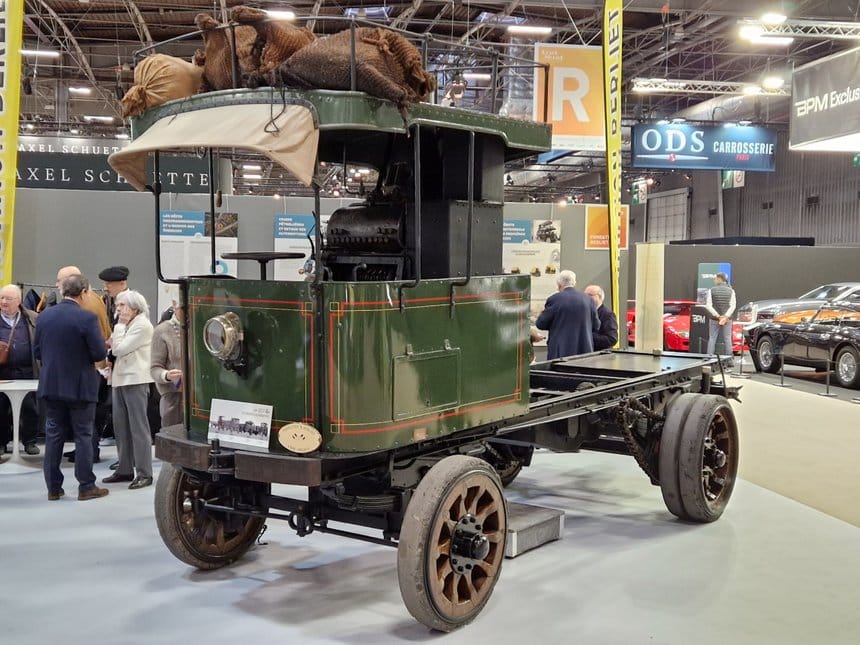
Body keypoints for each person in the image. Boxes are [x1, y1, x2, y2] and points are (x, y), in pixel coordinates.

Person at [34, 274, 109, 501]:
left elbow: (37, 351)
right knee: (83, 435)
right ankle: (86, 486)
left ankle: (53, 488)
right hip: (80, 387)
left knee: (53, 435)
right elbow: (99, 353)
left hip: (51, 385)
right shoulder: (87, 318)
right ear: (84, 292)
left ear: (63, 291)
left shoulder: (44, 316)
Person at [54, 265, 112, 464]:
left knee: (86, 416)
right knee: (89, 414)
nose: (56, 285)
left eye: (59, 281)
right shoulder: (96, 299)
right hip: (97, 366)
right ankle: (86, 449)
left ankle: (89, 452)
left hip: (88, 367)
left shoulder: (83, 306)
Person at [102, 289, 155, 489]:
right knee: (121, 427)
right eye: (117, 305)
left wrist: (119, 327)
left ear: (135, 307)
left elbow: (119, 349)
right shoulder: (129, 325)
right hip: (120, 380)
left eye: (122, 305)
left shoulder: (142, 325)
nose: (118, 309)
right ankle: (124, 468)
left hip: (135, 380)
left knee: (138, 428)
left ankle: (144, 472)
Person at [0, 284, 41, 455]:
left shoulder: (32, 318)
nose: (3, 302)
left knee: (30, 408)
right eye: (1, 298)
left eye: (8, 298)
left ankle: (30, 441)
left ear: (18, 301)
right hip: (2, 373)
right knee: (0, 408)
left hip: (27, 371)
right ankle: (1, 442)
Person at [535, 270, 601, 359]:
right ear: (574, 283)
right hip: (584, 351)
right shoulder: (588, 300)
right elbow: (596, 326)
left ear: (559, 284)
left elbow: (541, 324)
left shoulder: (554, 299)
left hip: (560, 353)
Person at [150, 300, 184, 428]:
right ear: (174, 306)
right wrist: (167, 375)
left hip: (200, 398)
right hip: (173, 398)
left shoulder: (201, 327)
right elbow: (155, 368)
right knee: (172, 436)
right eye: (182, 307)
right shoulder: (162, 331)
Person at [703, 272, 737, 363]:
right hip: (727, 319)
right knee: (727, 338)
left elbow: (708, 305)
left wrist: (718, 316)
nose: (714, 280)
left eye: (715, 278)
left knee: (712, 338)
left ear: (719, 279)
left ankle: (709, 357)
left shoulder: (711, 290)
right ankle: (729, 360)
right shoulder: (731, 291)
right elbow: (733, 306)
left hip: (714, 319)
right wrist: (725, 316)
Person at [584, 285, 619, 351]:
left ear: (599, 297)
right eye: (584, 295)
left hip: (598, 355)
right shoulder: (584, 312)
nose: (586, 298)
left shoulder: (607, 314)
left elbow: (612, 339)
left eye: (590, 295)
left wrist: (588, 336)